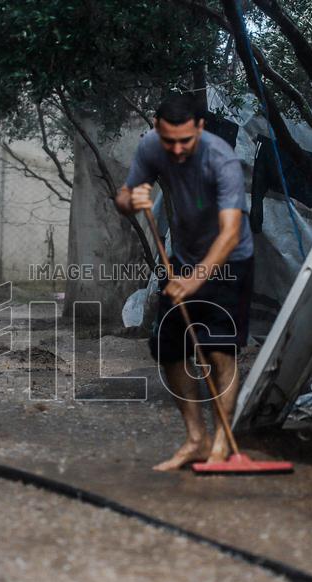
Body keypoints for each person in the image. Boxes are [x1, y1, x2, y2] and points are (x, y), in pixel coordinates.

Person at [114, 93, 254, 471]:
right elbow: (124, 199)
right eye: (168, 141)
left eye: (185, 141)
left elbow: (229, 234)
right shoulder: (150, 147)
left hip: (230, 260)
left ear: (201, 129)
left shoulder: (221, 159)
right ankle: (196, 439)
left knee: (218, 351)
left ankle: (223, 445)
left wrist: (194, 282)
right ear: (157, 131)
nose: (176, 150)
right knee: (168, 346)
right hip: (184, 259)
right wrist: (131, 198)